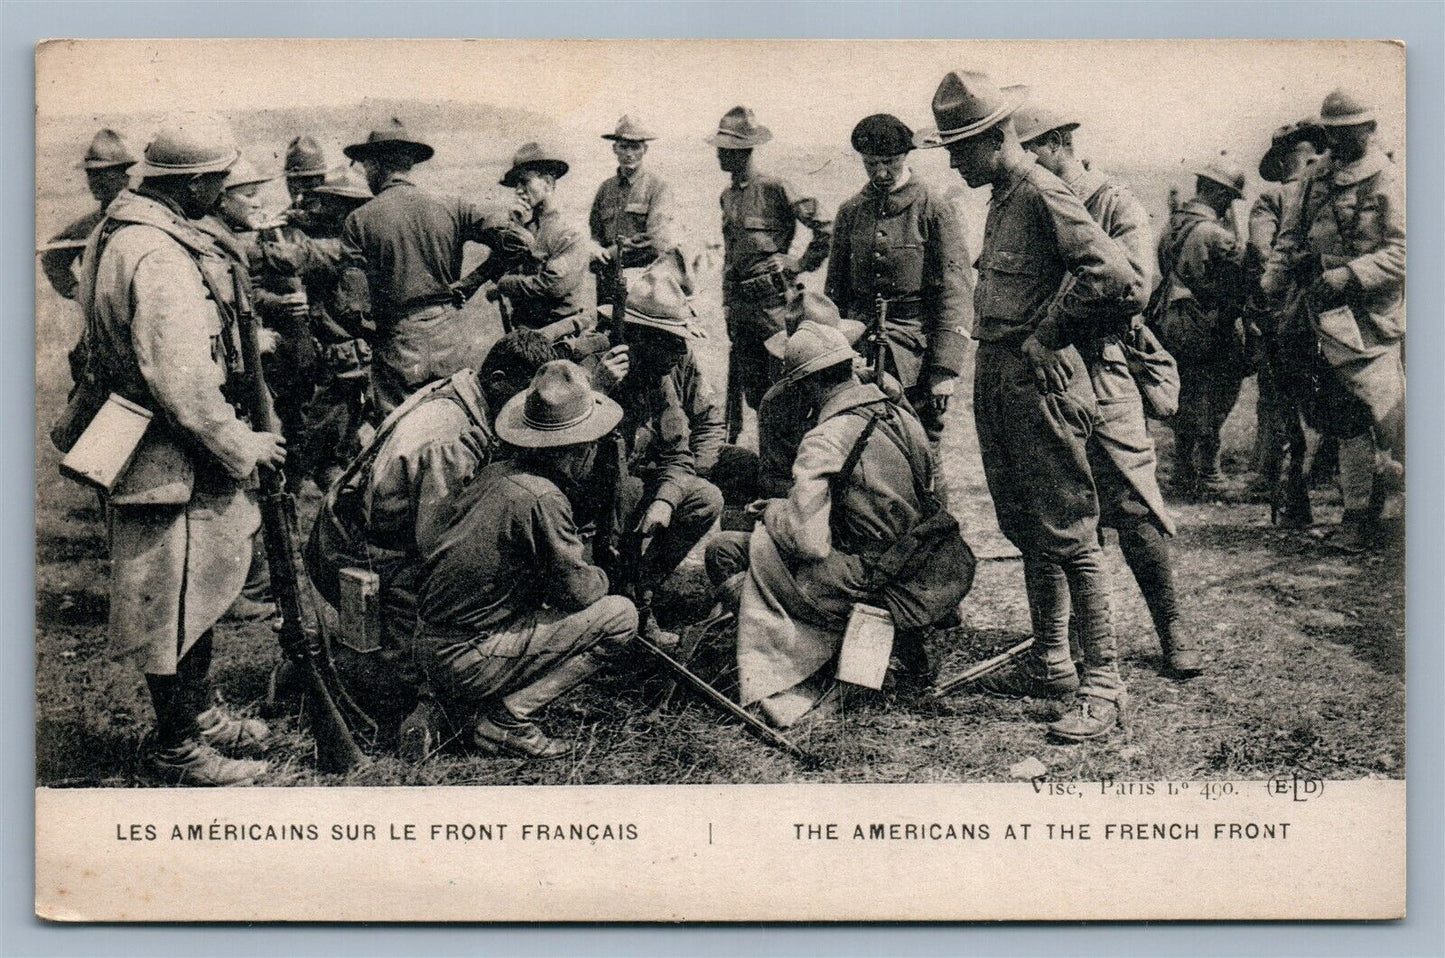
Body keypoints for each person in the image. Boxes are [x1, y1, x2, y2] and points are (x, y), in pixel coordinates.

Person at [916, 70, 1143, 742]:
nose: (954, 162)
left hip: (1039, 380)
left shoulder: (1042, 189)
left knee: (1071, 534)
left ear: (994, 139)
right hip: (1000, 377)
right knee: (1027, 529)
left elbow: (1117, 278)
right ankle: (1049, 663)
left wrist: (1049, 333)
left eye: (960, 148)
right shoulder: (1001, 193)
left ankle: (1101, 684)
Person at [78, 114, 287, 785]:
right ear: (193, 183)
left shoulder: (122, 231)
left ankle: (198, 718)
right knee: (167, 600)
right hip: (167, 450)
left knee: (193, 591)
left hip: (152, 439)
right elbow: (182, 379)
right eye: (218, 178)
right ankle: (178, 746)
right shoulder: (159, 253)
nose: (224, 188)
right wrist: (242, 444)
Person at [703, 321, 972, 727]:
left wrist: (774, 511)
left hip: (865, 576)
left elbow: (809, 544)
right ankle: (877, 652)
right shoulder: (899, 412)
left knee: (725, 552)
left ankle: (800, 667)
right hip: (926, 563)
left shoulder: (826, 438)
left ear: (805, 384)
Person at [1016, 105, 1198, 677]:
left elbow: (1134, 287)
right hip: (1048, 375)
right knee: (1058, 506)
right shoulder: (1025, 203)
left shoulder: (1114, 202)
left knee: (1133, 503)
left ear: (1059, 142)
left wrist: (1058, 324)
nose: (1023, 161)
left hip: (1104, 367)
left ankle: (1173, 632)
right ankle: (1070, 645)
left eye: (1031, 148)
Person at [304, 329, 557, 725]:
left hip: (351, 535)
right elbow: (439, 546)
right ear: (498, 380)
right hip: (364, 557)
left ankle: (350, 658)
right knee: (423, 684)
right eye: (524, 397)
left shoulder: (462, 390)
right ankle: (333, 668)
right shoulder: (449, 436)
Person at [416, 361, 638, 759]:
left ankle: (456, 705)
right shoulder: (542, 498)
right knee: (620, 617)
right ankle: (507, 720)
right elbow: (578, 594)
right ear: (579, 448)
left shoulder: (496, 474)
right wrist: (605, 575)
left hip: (429, 645)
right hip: (467, 655)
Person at [1263, 89, 1405, 553]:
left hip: (1371, 320)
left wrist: (1348, 275)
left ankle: (1391, 517)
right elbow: (1288, 241)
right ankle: (1357, 517)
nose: (1337, 142)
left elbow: (1406, 251)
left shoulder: (1390, 180)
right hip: (1317, 313)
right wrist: (1272, 286)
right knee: (1341, 418)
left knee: (1384, 418)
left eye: (1347, 133)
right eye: (1331, 134)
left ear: (1369, 130)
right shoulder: (1313, 177)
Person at [337, 118, 528, 415]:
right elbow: (519, 242)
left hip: (397, 343)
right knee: (457, 420)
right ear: (409, 163)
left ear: (375, 165)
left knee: (400, 433)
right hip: (449, 336)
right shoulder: (452, 205)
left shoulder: (360, 220)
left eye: (365, 167)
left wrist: (382, 338)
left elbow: (352, 310)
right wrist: (473, 281)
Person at [591, 264, 724, 646]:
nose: (681, 352)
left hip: (633, 483)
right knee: (627, 490)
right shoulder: (590, 364)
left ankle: (641, 591)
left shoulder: (661, 375)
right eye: (670, 341)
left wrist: (666, 500)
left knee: (703, 498)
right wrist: (598, 391)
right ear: (637, 337)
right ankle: (609, 601)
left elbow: (678, 450)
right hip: (583, 497)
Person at [825, 113, 973, 444]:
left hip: (914, 354)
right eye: (871, 163)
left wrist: (944, 370)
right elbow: (835, 292)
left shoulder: (933, 207)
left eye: (889, 162)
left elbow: (956, 291)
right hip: (859, 349)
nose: (880, 173)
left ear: (906, 156)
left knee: (920, 442)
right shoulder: (851, 211)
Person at [709, 106, 833, 439]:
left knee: (787, 393)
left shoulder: (776, 187)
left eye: (727, 149)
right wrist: (728, 306)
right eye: (720, 148)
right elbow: (732, 259)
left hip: (776, 308)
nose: (720, 155)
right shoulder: (728, 196)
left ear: (745, 150)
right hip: (743, 312)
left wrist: (799, 264)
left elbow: (826, 228)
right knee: (753, 395)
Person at [254, 165, 376, 488]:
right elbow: (254, 290)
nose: (308, 192)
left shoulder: (351, 243)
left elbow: (308, 256)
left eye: (317, 185)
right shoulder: (289, 227)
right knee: (308, 440)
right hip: (305, 356)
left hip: (348, 364)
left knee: (328, 453)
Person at [1152, 156, 1251, 500]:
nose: (1229, 205)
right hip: (1209, 326)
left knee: (1187, 394)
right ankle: (1209, 473)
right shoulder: (1214, 234)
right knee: (1216, 395)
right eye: (1227, 198)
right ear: (1217, 193)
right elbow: (1236, 283)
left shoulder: (1172, 226)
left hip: (1171, 322)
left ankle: (1182, 470)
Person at [1247, 120, 1326, 527]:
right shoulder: (1331, 192)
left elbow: (1264, 256)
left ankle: (1294, 502)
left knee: (1286, 407)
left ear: (1281, 160)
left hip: (1291, 321)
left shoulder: (1272, 197)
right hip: (1338, 317)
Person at [494, 142, 595, 338]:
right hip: (523, 331)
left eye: (525, 182)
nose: (518, 191)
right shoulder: (524, 225)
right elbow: (497, 267)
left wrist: (506, 284)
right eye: (516, 184)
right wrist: (514, 229)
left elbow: (553, 286)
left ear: (548, 183)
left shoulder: (569, 230)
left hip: (559, 334)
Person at [41, 128, 137, 302]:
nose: (94, 182)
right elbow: (52, 257)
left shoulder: (148, 216)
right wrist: (76, 291)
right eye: (90, 174)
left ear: (125, 174)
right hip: (101, 323)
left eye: (103, 174)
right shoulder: (87, 225)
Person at [589, 115, 676, 307]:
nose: (629, 153)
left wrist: (612, 253)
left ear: (645, 149)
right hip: (608, 283)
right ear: (614, 148)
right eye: (623, 146)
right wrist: (594, 248)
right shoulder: (605, 189)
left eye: (635, 147)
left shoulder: (657, 187)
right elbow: (595, 232)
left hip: (643, 284)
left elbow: (656, 240)